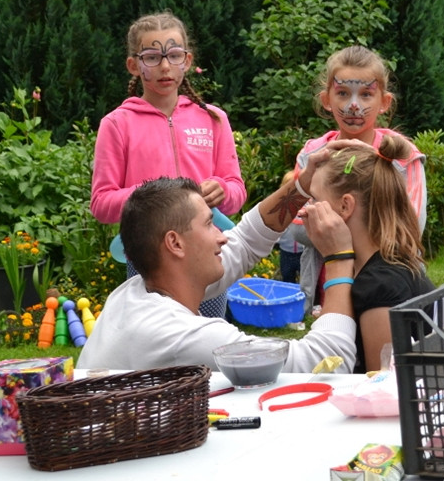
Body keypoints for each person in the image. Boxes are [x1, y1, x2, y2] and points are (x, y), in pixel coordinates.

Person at [77, 143, 358, 373]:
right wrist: (339, 258)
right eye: (210, 224)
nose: (223, 236)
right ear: (175, 243)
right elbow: (325, 363)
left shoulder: (133, 294)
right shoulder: (178, 335)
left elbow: (246, 240)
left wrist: (301, 187)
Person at [90, 12, 245, 319]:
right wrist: (154, 195)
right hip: (148, 255)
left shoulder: (213, 119)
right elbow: (101, 203)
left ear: (187, 60)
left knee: (209, 340)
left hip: (205, 252)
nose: (164, 66)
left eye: (173, 55)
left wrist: (223, 189)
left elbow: (237, 191)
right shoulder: (117, 124)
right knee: (154, 342)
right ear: (134, 65)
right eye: (152, 57)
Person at [289, 45, 427, 313]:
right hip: (327, 292)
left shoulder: (402, 156)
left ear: (384, 102)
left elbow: (408, 232)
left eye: (366, 95)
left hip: (389, 292)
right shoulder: (312, 154)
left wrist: (330, 224)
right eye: (342, 93)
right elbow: (294, 231)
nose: (354, 105)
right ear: (326, 99)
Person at [306, 135, 436, 372]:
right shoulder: (387, 265)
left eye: (314, 200)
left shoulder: (379, 287)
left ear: (345, 206)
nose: (306, 210)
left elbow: (381, 387)